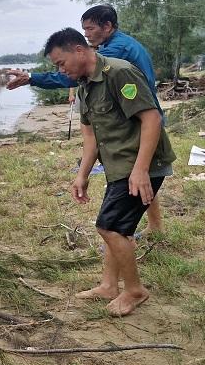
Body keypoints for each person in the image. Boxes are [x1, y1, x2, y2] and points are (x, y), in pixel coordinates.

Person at [43, 28, 176, 316]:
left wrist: (140, 170)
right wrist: (82, 175)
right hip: (119, 166)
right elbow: (90, 137)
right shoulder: (84, 85)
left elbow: (151, 119)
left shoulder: (119, 73)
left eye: (61, 63)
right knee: (116, 225)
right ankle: (109, 286)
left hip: (144, 164)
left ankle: (135, 290)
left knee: (110, 226)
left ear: (79, 50)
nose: (61, 70)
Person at [5, 5, 164, 239]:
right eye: (84, 29)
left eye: (90, 29)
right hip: (136, 118)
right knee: (142, 180)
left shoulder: (115, 53)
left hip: (135, 122)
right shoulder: (120, 44)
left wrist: (32, 77)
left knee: (131, 186)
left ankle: (121, 238)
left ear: (107, 26)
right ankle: (150, 227)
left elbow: (80, 73)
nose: (87, 34)